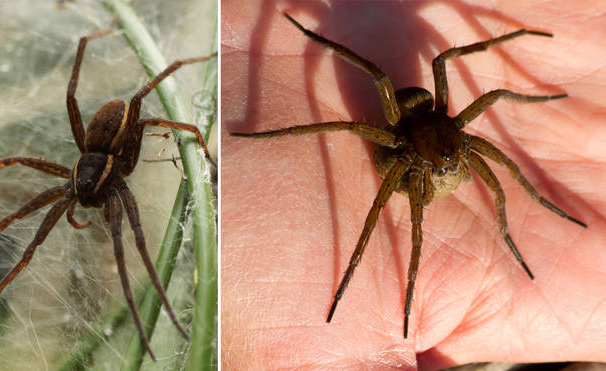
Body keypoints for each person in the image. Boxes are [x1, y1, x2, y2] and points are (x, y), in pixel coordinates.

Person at [221, 0, 605, 369]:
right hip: (403, 138)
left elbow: (495, 99)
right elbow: (359, 110)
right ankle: (364, 270)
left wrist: (524, 206)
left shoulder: (462, 140)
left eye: (454, 155)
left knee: (502, 175)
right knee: (394, 182)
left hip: (431, 127)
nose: (453, 161)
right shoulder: (405, 154)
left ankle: (520, 223)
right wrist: (313, 37)